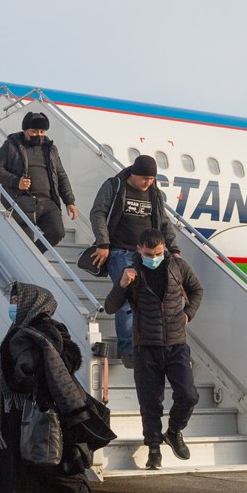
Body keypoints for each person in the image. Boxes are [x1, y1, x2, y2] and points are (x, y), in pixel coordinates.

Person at [0, 282, 115, 493]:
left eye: (16, 301)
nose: (12, 306)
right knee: (13, 463)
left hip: (35, 408)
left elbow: (51, 364)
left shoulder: (43, 330)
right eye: (12, 301)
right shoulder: (23, 328)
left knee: (43, 460)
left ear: (31, 302)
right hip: (17, 408)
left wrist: (25, 371)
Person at [104, 228, 202, 470]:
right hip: (146, 346)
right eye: (149, 253)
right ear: (139, 250)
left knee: (189, 395)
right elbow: (110, 306)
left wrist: (187, 314)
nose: (154, 257)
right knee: (150, 403)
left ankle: (174, 431)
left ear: (164, 249)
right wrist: (122, 284)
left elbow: (196, 290)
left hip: (176, 343)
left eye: (158, 252)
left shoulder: (178, 266)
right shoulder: (132, 272)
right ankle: (154, 449)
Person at [88, 154, 180, 369]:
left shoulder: (154, 194)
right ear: (133, 174)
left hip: (146, 254)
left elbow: (164, 223)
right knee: (127, 297)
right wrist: (103, 243)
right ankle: (128, 350)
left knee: (151, 297)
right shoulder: (116, 186)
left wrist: (174, 249)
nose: (148, 183)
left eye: (152, 179)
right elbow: (98, 213)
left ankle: (147, 344)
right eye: (144, 179)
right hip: (119, 251)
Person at [0, 112, 78, 252]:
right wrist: (16, 181)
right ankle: (29, 257)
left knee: (57, 233)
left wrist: (69, 201)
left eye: (42, 131)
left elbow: (61, 175)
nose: (39, 134)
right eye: (34, 131)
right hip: (22, 201)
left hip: (48, 202)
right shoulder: (11, 146)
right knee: (25, 242)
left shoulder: (50, 149)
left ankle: (33, 255)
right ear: (25, 131)